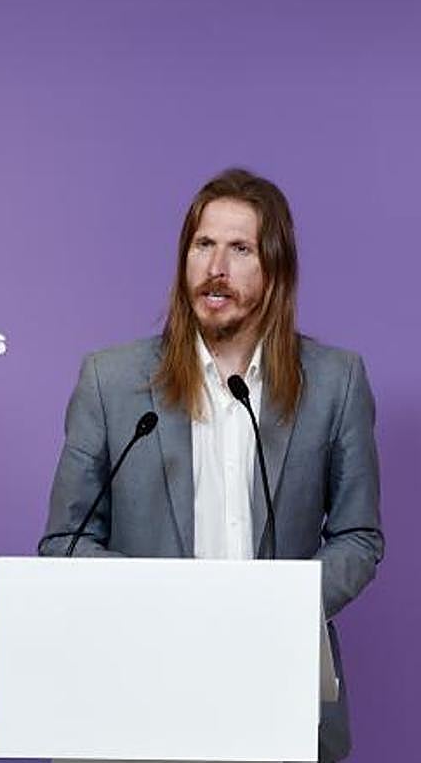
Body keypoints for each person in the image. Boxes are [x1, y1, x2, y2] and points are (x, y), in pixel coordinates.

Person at [39, 167, 384, 761]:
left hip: (276, 687)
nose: (215, 267)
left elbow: (357, 536)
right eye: (202, 245)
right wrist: (169, 607)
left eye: (239, 248)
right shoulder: (110, 380)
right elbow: (65, 540)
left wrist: (276, 608)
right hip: (137, 687)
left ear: (274, 271)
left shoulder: (335, 382)